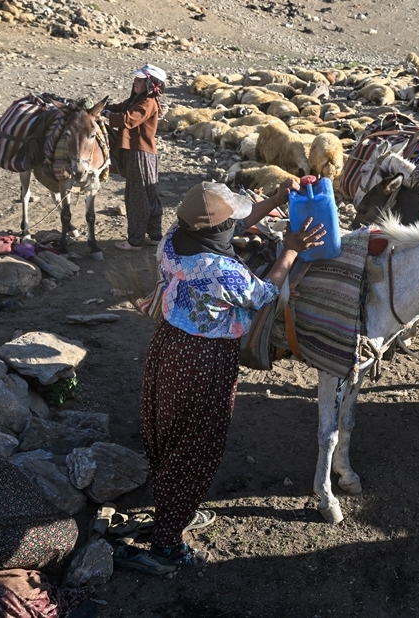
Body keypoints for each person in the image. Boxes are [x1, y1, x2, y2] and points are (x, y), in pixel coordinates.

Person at [114, 180, 325, 575]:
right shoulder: (222, 272)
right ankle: (165, 547)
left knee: (170, 434)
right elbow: (263, 293)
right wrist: (292, 249)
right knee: (195, 446)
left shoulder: (174, 241)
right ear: (221, 232)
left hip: (168, 347)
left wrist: (274, 200)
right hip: (204, 361)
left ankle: (171, 511)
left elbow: (234, 223)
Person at [108, 64, 166, 251]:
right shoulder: (139, 100)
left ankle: (135, 241)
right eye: (136, 79)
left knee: (137, 196)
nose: (136, 82)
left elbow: (128, 119)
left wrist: (107, 116)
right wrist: (101, 108)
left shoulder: (148, 103)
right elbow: (121, 108)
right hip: (144, 153)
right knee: (149, 194)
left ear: (151, 83)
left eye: (140, 80)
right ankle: (155, 236)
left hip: (139, 153)